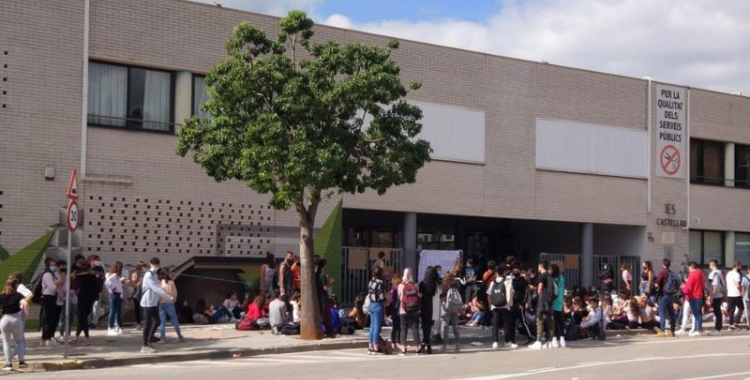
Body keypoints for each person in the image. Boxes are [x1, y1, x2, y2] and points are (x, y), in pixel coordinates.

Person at [140, 257, 174, 354]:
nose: (156, 266)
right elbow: (155, 288)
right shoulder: (148, 275)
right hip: (147, 302)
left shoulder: (155, 275)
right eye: (154, 264)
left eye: (157, 264)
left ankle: (149, 339)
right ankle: (144, 345)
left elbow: (158, 287)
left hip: (154, 302)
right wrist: (168, 297)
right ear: (150, 264)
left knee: (157, 320)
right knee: (147, 324)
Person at [0, 278, 27, 371]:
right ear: (16, 286)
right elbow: (25, 303)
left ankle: (8, 363)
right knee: (19, 341)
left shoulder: (2, 296)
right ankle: (21, 362)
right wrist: (26, 314)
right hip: (16, 319)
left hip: (5, 320)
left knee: (6, 342)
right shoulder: (18, 295)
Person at [72, 261, 99, 346]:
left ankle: (86, 338)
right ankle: (77, 338)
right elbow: (96, 288)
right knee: (83, 319)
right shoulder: (92, 276)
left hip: (82, 298)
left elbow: (75, 287)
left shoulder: (79, 277)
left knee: (82, 319)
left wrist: (73, 278)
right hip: (90, 299)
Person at [531, 261, 555, 349]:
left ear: (540, 266)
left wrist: (536, 294)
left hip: (543, 301)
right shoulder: (550, 276)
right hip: (549, 301)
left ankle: (538, 341)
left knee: (540, 321)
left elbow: (539, 288)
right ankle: (550, 341)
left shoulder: (542, 276)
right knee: (550, 322)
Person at [40, 258, 65, 347]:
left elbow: (57, 287)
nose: (54, 266)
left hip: (53, 297)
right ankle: (47, 338)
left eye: (55, 265)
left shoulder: (53, 274)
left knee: (51, 318)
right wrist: (59, 281)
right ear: (48, 265)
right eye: (52, 265)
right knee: (48, 319)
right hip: (47, 297)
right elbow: (52, 288)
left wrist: (60, 281)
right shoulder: (47, 274)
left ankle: (47, 338)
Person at [398, 268, 421, 356]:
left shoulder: (401, 285)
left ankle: (403, 349)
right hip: (415, 309)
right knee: (415, 328)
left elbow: (400, 297)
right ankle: (417, 348)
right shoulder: (416, 285)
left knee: (404, 328)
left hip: (403, 309)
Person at [158, 268, 183, 343]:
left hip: (161, 303)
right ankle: (179, 336)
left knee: (162, 322)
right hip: (170, 303)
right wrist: (174, 300)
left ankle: (163, 338)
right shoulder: (171, 282)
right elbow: (175, 293)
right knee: (174, 320)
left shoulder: (159, 282)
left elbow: (158, 293)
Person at [654, 258, 678, 337]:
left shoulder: (663, 273)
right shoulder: (672, 273)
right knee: (671, 313)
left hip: (663, 295)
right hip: (670, 295)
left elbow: (656, 284)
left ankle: (662, 331)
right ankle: (672, 331)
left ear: (663, 265)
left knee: (662, 313)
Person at [418, 267, 439, 354]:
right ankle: (427, 344)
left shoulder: (422, 284)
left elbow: (420, 296)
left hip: (424, 307)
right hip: (434, 307)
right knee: (429, 326)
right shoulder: (436, 284)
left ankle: (425, 343)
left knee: (424, 326)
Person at [367, 266, 387, 354]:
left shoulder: (371, 281)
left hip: (371, 304)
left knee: (372, 326)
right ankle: (375, 346)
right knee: (377, 327)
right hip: (378, 304)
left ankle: (370, 345)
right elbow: (382, 295)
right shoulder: (381, 283)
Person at [682, 262, 705, 337]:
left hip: (693, 296)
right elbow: (703, 285)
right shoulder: (700, 273)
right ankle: (697, 329)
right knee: (697, 313)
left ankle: (697, 329)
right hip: (699, 295)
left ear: (691, 267)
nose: (689, 269)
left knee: (696, 314)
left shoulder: (692, 274)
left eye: (689, 267)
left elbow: (689, 286)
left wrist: (684, 289)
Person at [441, 273, 462, 352]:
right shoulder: (456, 285)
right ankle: (457, 345)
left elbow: (442, 296)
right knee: (455, 326)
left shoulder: (444, 285)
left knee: (445, 326)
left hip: (446, 308)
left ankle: (445, 345)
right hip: (455, 307)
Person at [105, 262, 125, 336]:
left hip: (118, 294)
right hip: (114, 294)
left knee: (118, 311)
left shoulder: (116, 276)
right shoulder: (113, 275)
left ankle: (118, 326)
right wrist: (112, 288)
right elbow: (107, 282)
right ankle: (110, 327)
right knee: (113, 311)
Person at [316, 259, 334, 337]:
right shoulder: (323, 274)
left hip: (319, 296)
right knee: (327, 316)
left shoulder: (317, 274)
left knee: (322, 315)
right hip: (324, 297)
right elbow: (325, 287)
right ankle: (329, 332)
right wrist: (329, 282)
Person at [707, 260, 725, 335]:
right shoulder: (720, 272)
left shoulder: (715, 274)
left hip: (716, 295)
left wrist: (711, 296)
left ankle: (718, 329)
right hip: (719, 294)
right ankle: (717, 328)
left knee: (717, 312)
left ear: (712, 265)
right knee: (717, 312)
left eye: (709, 264)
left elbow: (715, 286)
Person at [725, 261, 744, 331]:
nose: (741, 268)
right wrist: (741, 292)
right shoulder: (737, 274)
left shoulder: (729, 273)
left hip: (730, 293)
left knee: (731, 310)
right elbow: (737, 285)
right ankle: (735, 322)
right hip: (736, 294)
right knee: (741, 308)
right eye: (740, 266)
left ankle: (730, 324)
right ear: (737, 266)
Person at [551, 264, 566, 347]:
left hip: (554, 303)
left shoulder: (554, 280)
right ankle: (562, 339)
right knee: (560, 322)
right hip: (560, 303)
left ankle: (554, 339)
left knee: (554, 322)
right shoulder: (561, 279)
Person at [131, 261, 146, 330]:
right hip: (137, 292)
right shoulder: (134, 274)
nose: (143, 268)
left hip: (144, 291)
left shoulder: (146, 273)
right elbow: (134, 285)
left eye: (144, 266)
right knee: (137, 308)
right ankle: (138, 323)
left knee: (145, 307)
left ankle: (145, 321)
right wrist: (139, 275)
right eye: (142, 266)